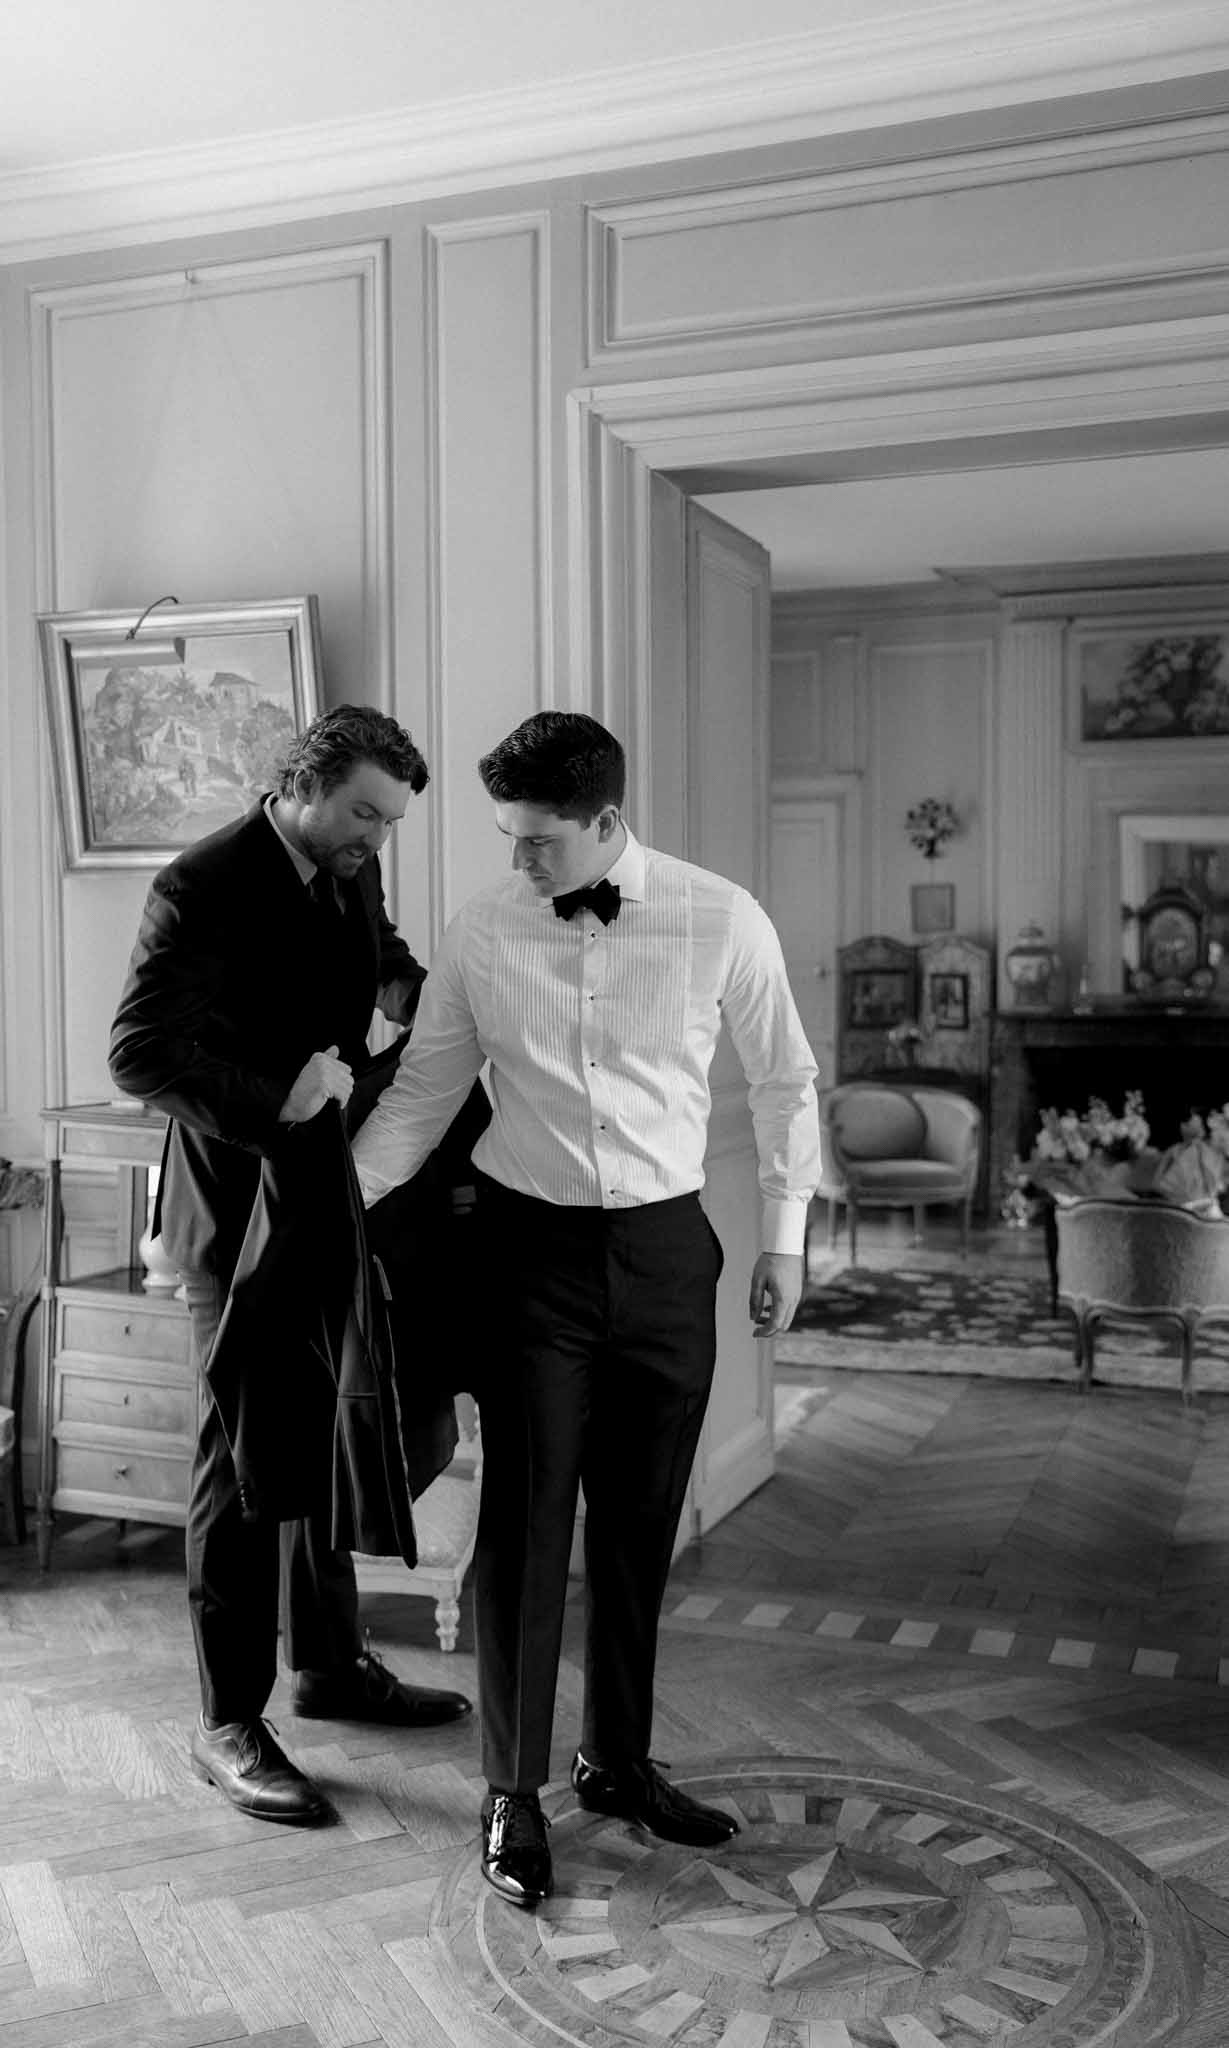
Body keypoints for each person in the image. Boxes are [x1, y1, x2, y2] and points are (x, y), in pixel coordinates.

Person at [351, 710, 821, 1905]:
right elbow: (423, 1095)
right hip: (530, 1256)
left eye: (539, 841)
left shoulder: (724, 916)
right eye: (509, 836)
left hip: (669, 1253)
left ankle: (616, 1759)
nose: (518, 861)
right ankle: (511, 1790)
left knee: (638, 1525)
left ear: (609, 823)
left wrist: (785, 1241)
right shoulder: (482, 927)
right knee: (524, 1521)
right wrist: (331, 1213)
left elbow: (784, 1082)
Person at [108, 704, 471, 1830]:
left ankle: (329, 1662)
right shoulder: (201, 883)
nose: (378, 835)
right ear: (302, 782)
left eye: (393, 819)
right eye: (364, 809)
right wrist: (277, 1097)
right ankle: (229, 1719)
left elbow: (390, 962)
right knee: (242, 1451)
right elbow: (141, 1053)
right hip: (239, 1211)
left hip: (335, 1193)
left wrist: (425, 1000)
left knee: (336, 1425)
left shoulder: (349, 866)